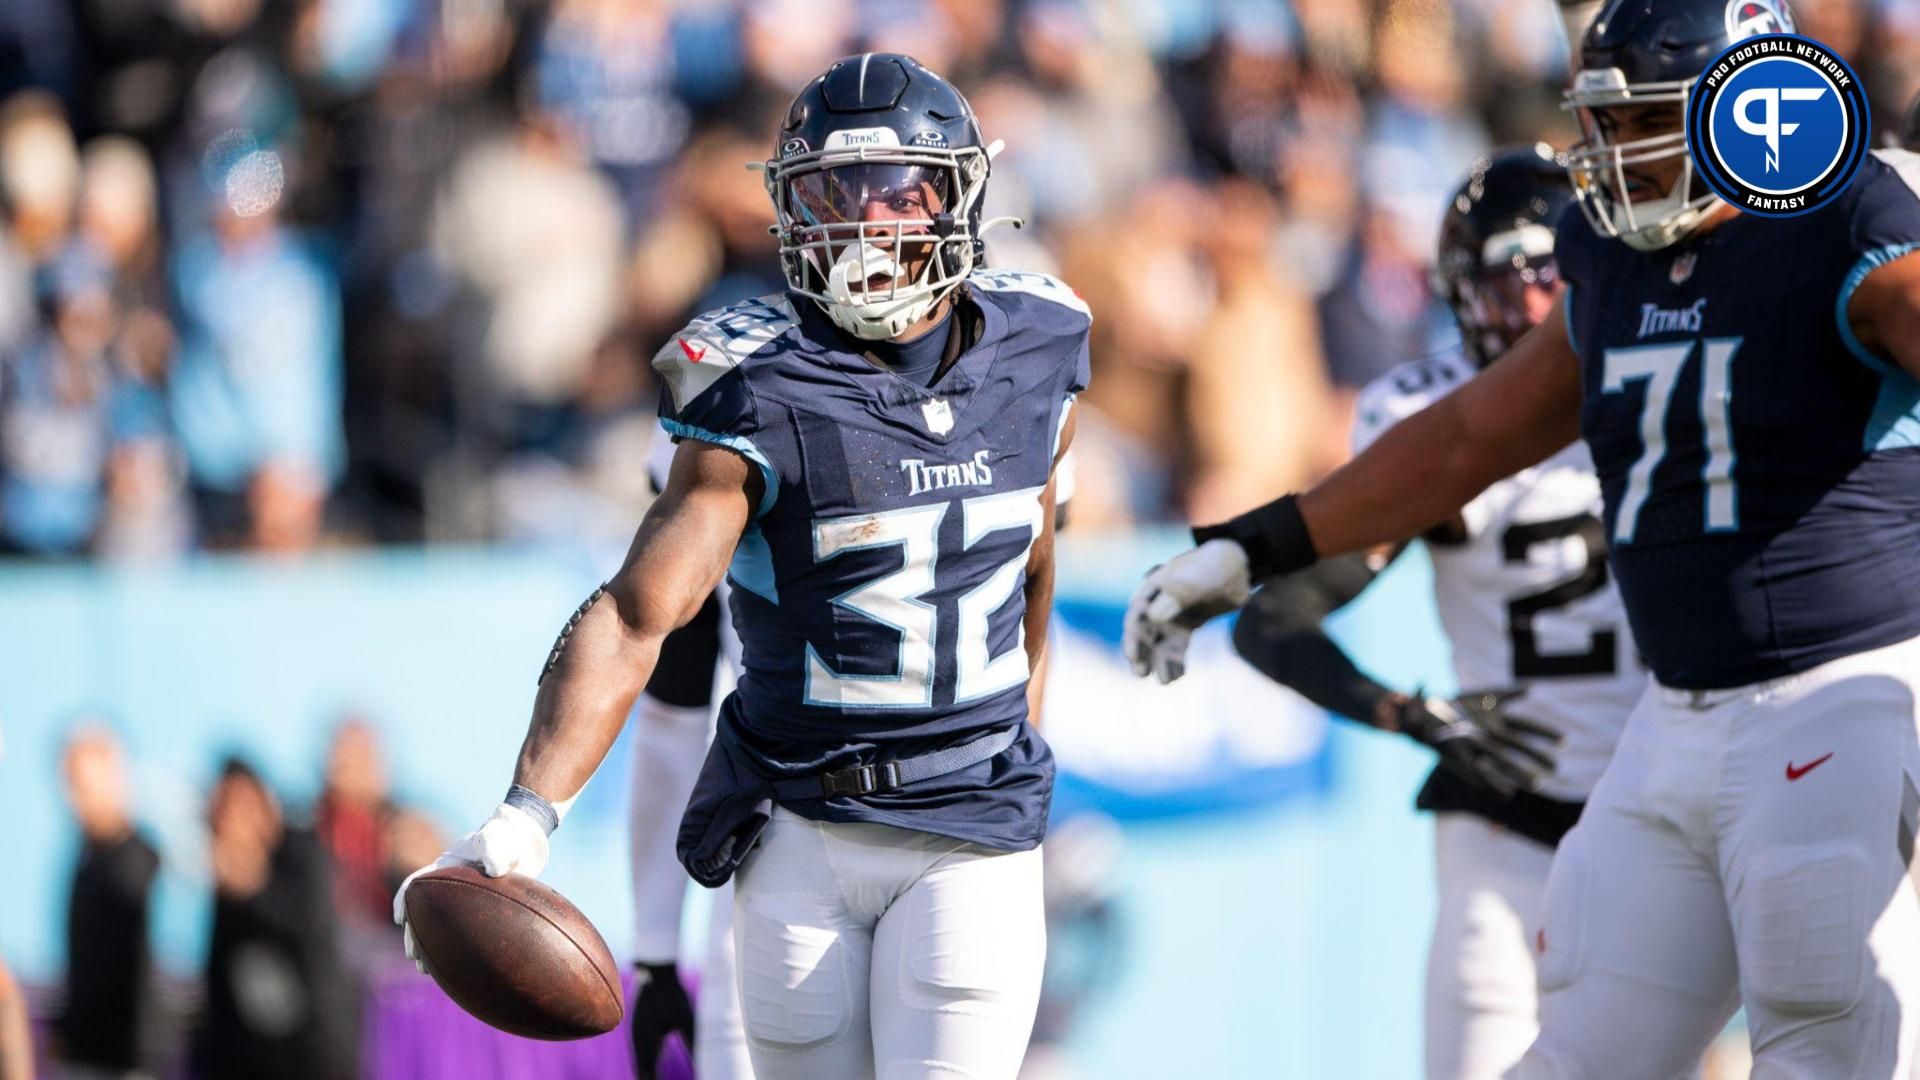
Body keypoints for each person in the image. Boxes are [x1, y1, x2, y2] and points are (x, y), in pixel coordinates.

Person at [1124, 0, 1920, 1073]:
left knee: (1822, 1043)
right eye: (1603, 124)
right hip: (1674, 720)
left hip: (1832, 695)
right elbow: (1464, 439)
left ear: (1752, 110)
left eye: (1639, 123)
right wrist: (1255, 545)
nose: (1609, 157)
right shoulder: (1611, 251)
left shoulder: (1853, 224)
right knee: (1574, 1049)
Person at [397, 52, 1086, 1080]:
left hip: (967, 837)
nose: (865, 225)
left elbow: (1035, 566)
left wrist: (1006, 751)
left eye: (895, 192)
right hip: (798, 835)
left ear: (957, 196)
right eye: (832, 196)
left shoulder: (1041, 342)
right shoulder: (752, 385)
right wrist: (523, 816)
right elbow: (640, 618)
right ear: (788, 210)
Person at [1227, 146, 1643, 1080]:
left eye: (1556, 279)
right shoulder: (1435, 416)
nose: (1538, 312)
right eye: (1508, 286)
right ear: (1460, 294)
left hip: (1667, 802)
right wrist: (1413, 716)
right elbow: (1274, 620)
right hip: (1510, 815)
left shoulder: (1660, 376)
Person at [197, 758, 356, 1080]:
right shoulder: (225, 884)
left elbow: (311, 930)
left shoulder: (302, 851)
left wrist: (253, 888)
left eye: (243, 807)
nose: (234, 823)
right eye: (224, 811)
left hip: (312, 1055)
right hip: (247, 1059)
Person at [58, 726, 160, 1079]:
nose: (74, 798)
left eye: (83, 783)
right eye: (69, 783)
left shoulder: (142, 862)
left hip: (127, 1063)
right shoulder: (85, 860)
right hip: (86, 1057)